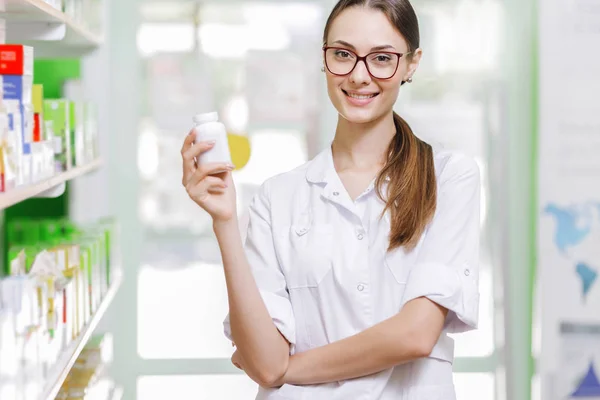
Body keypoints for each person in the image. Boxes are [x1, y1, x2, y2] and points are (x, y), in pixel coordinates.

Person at [180, 0, 481, 398]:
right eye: (343, 54)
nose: (359, 75)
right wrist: (224, 221)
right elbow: (263, 361)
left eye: (382, 58)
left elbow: (415, 334)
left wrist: (289, 369)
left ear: (411, 64)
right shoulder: (278, 196)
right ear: (324, 59)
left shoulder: (449, 178)